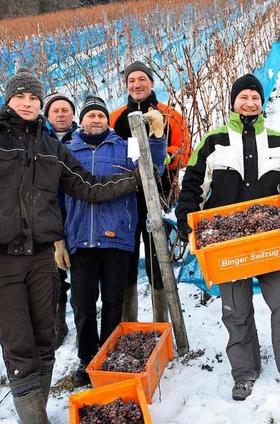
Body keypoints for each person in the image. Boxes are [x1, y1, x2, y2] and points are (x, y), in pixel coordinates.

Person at [0, 67, 139, 423]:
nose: (28, 103)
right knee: (18, 343)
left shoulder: (52, 148)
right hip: (0, 259)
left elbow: (88, 186)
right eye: (21, 96)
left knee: (46, 336)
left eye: (34, 97)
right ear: (8, 100)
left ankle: (38, 411)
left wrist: (133, 182)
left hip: (42, 259)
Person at [175, 74, 280, 405]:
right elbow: (193, 182)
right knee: (235, 308)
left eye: (255, 97)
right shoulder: (214, 140)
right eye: (243, 97)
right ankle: (244, 371)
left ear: (262, 102)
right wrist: (186, 215)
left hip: (271, 238)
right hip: (226, 242)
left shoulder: (278, 141)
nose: (249, 103)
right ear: (233, 102)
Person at [64, 95, 167, 386]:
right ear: (81, 120)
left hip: (117, 235)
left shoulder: (126, 146)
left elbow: (152, 170)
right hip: (81, 237)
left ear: (107, 120)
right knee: (82, 302)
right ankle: (87, 359)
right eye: (90, 115)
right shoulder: (66, 150)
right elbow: (56, 197)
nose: (95, 120)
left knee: (113, 300)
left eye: (100, 115)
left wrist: (157, 136)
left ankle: (108, 356)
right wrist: (60, 238)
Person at [110, 60, 192, 323]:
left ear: (152, 83)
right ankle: (129, 323)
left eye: (141, 79)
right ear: (126, 86)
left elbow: (184, 153)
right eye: (131, 80)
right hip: (125, 199)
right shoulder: (115, 118)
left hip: (161, 196)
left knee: (159, 259)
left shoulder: (170, 115)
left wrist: (164, 158)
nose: (136, 84)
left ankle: (162, 320)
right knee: (127, 259)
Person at [44, 91, 78, 349]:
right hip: (47, 215)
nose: (61, 114)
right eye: (55, 110)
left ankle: (82, 325)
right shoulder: (38, 140)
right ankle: (56, 325)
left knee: (77, 273)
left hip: (76, 214)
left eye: (65, 109)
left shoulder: (80, 138)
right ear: (47, 116)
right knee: (53, 277)